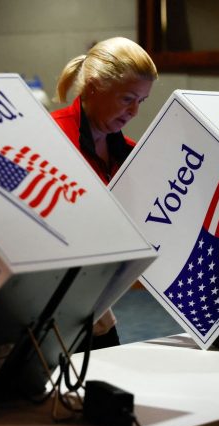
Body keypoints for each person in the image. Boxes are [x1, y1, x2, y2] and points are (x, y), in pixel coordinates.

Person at [51, 37, 157, 349]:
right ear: (94, 86)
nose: (135, 112)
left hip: (96, 307)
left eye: (142, 101)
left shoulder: (128, 153)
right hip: (50, 307)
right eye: (127, 99)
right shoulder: (50, 138)